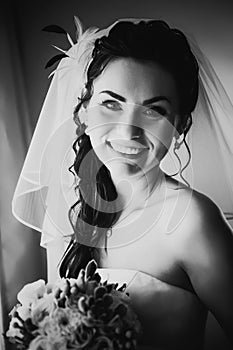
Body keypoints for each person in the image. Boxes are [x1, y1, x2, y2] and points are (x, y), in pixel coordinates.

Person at [12, 18, 233, 350]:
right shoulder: (69, 203)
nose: (128, 131)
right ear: (83, 112)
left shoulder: (192, 220)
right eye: (111, 104)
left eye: (154, 111)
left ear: (180, 125)